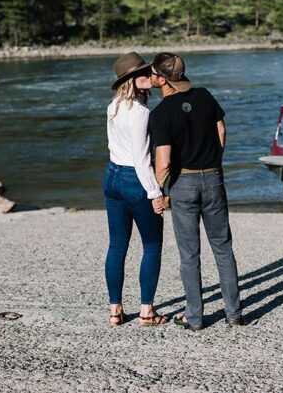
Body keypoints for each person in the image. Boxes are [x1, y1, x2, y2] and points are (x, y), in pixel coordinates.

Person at [149, 52, 244, 331]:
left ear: (162, 79)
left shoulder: (161, 113)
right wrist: (214, 162)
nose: (152, 77)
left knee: (190, 254)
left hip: (184, 184)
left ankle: (195, 318)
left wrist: (158, 192)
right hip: (213, 178)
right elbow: (221, 130)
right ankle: (234, 314)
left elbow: (164, 161)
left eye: (154, 73)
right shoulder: (204, 95)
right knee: (223, 249)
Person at [103, 52, 169, 327]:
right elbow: (143, 160)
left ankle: (115, 311)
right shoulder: (141, 113)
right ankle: (146, 312)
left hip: (112, 176)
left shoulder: (113, 106)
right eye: (143, 73)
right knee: (152, 245)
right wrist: (156, 194)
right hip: (135, 180)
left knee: (117, 244)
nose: (149, 77)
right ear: (131, 80)